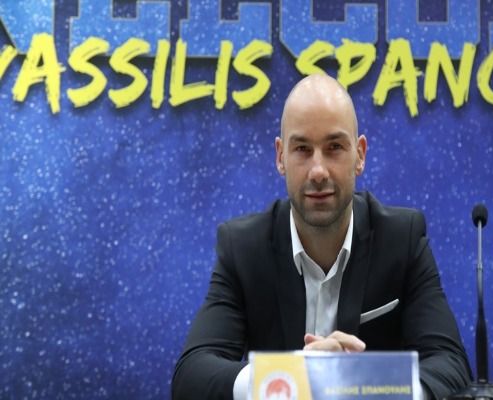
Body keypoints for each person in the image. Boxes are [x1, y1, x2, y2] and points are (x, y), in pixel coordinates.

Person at [172, 74, 471, 399]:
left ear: (360, 155)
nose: (318, 171)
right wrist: (291, 375)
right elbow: (191, 377)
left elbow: (451, 365)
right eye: (302, 149)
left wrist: (366, 385)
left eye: (334, 148)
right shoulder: (243, 248)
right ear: (280, 157)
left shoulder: (402, 240)